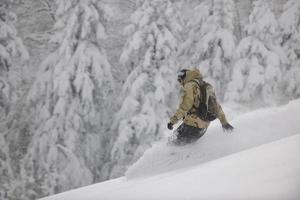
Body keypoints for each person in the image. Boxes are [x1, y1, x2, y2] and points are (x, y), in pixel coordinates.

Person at [167, 68, 234, 145]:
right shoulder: (206, 86)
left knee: (172, 145)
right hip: (202, 128)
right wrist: (224, 122)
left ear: (184, 76)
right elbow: (216, 106)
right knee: (186, 148)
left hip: (191, 124)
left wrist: (173, 121)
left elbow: (186, 105)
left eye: (180, 79)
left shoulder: (189, 85)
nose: (180, 82)